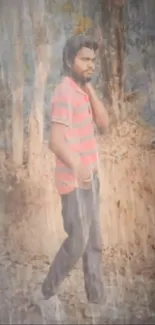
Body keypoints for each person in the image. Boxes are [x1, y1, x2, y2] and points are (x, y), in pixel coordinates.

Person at [33, 34, 109, 321]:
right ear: (69, 60)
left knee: (94, 242)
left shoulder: (81, 91)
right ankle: (45, 295)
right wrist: (79, 168)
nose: (90, 65)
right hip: (73, 183)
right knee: (78, 241)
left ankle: (96, 301)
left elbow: (104, 123)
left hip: (90, 180)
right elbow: (56, 141)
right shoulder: (63, 92)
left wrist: (89, 88)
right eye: (84, 59)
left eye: (93, 60)